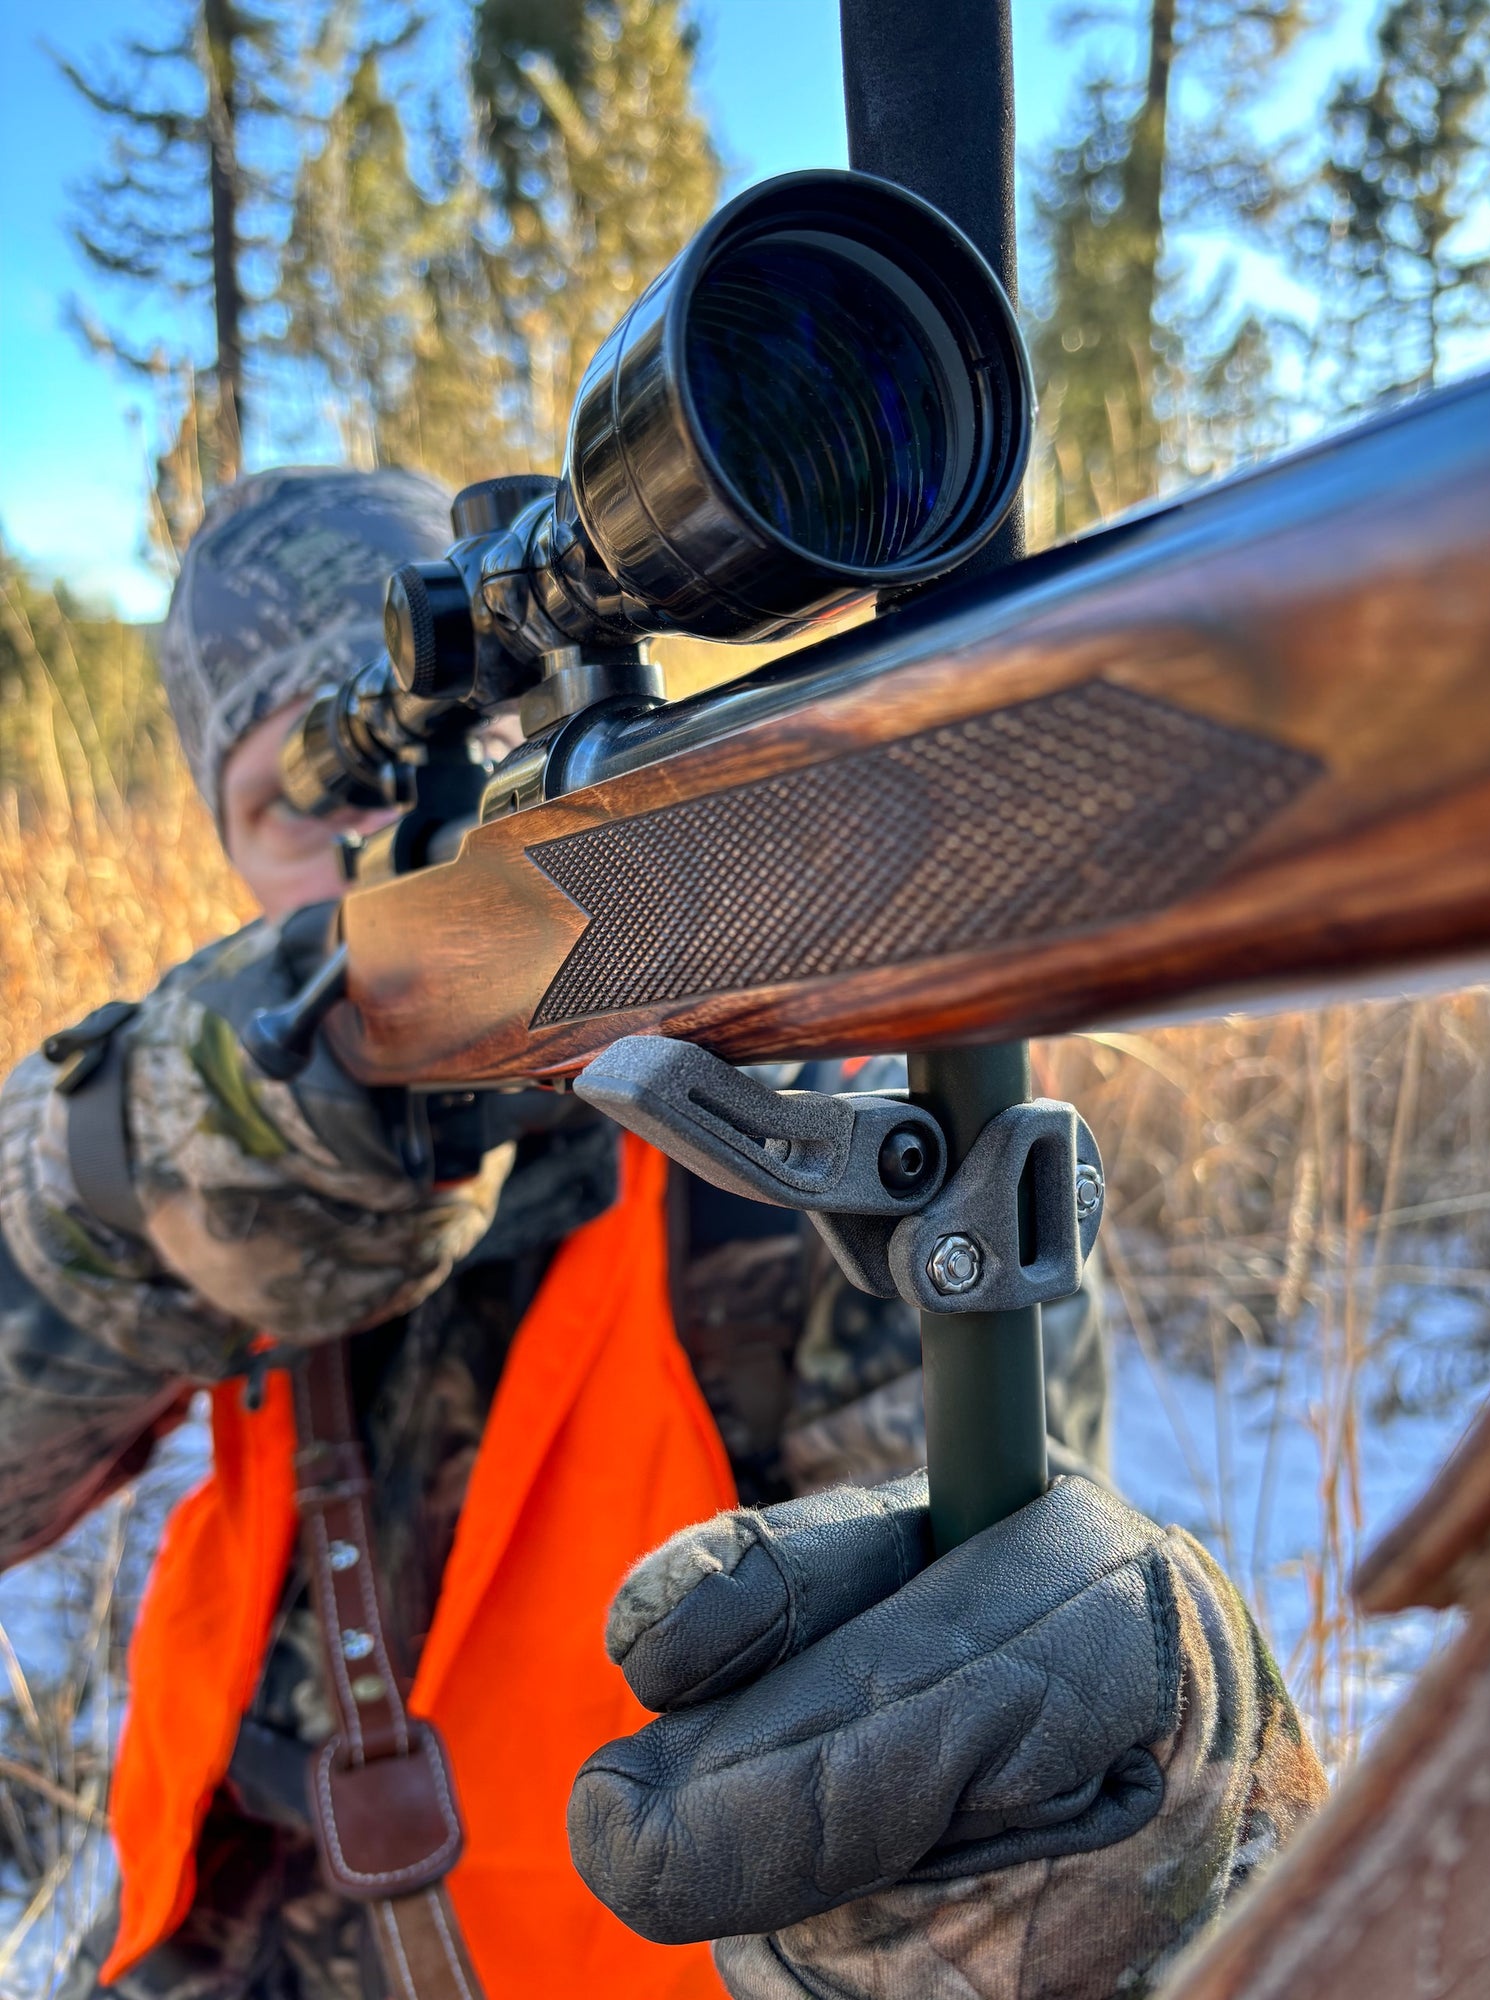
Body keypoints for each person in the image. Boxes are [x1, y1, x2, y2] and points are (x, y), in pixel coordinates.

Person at [0, 467, 1325, 2000]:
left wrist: (1121, 1839)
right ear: (232, 855)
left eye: (445, 752)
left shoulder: (789, 1148)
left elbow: (1008, 1648)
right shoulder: (196, 1127)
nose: (375, 821)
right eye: (300, 793)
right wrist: (133, 1164)